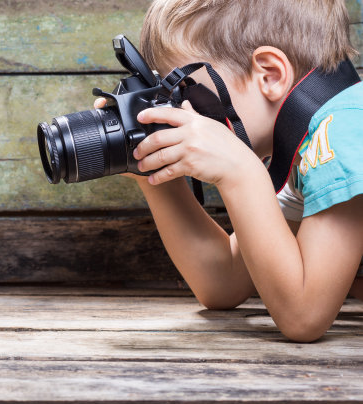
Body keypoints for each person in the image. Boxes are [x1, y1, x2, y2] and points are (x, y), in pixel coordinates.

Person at [96, 0, 363, 342]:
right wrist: (149, 170)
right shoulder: (306, 145)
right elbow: (222, 282)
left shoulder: (343, 130)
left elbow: (304, 316)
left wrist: (241, 172)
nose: (185, 115)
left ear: (270, 74)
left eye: (187, 93)